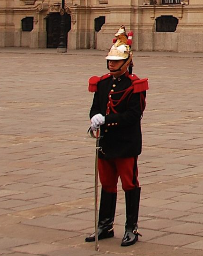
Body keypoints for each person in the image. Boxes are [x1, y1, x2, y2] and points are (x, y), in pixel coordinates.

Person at [86, 26, 148, 247]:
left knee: (129, 185)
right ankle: (105, 225)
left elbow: (133, 115)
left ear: (126, 62)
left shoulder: (135, 85)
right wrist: (94, 118)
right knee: (107, 185)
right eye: (109, 60)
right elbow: (95, 107)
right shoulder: (102, 83)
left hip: (125, 144)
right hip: (106, 144)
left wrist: (107, 120)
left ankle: (131, 227)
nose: (111, 64)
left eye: (115, 61)